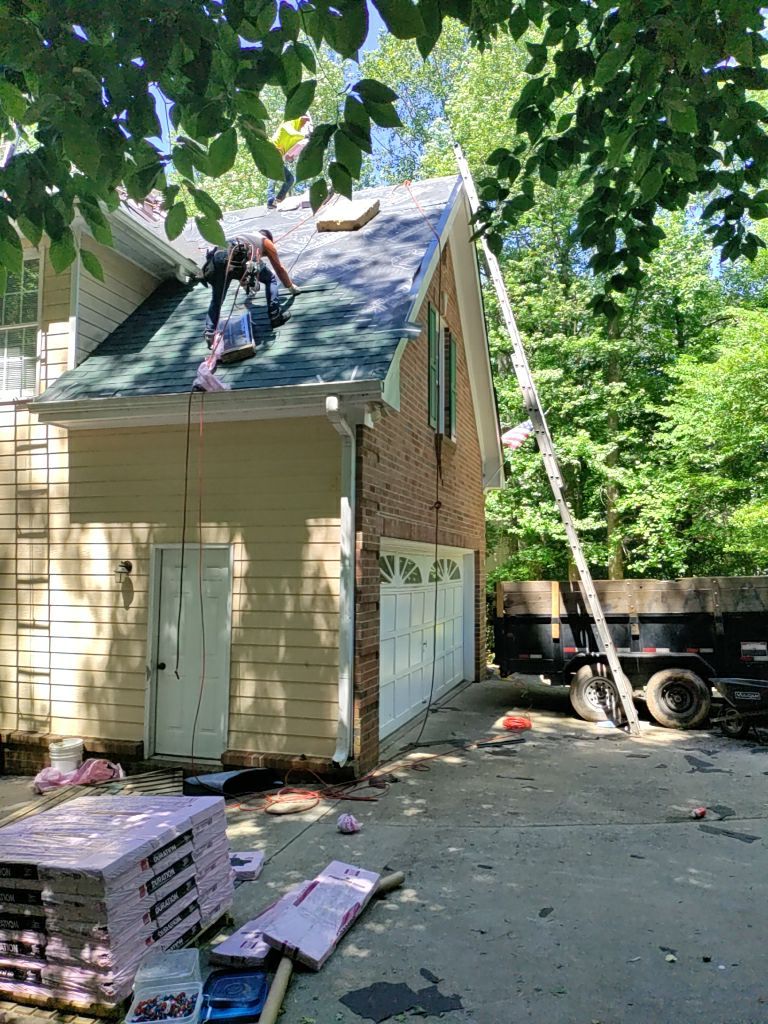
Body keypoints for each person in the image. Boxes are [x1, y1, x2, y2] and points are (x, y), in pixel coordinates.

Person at [201, 229, 300, 346]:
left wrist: (246, 286)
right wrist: (290, 287)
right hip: (236, 256)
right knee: (270, 279)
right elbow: (279, 269)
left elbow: (238, 269)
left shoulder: (246, 236)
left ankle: (210, 331)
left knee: (217, 299)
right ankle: (275, 316)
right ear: (268, 238)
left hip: (218, 259)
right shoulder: (266, 242)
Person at [267, 115, 313, 209]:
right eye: (303, 122)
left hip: (278, 157)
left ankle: (278, 199)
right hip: (271, 153)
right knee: (273, 177)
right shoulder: (286, 124)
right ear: (299, 120)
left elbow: (294, 148)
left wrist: (291, 157)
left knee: (290, 179)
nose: (302, 126)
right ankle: (270, 199)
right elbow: (292, 133)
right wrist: (305, 135)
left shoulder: (296, 135)